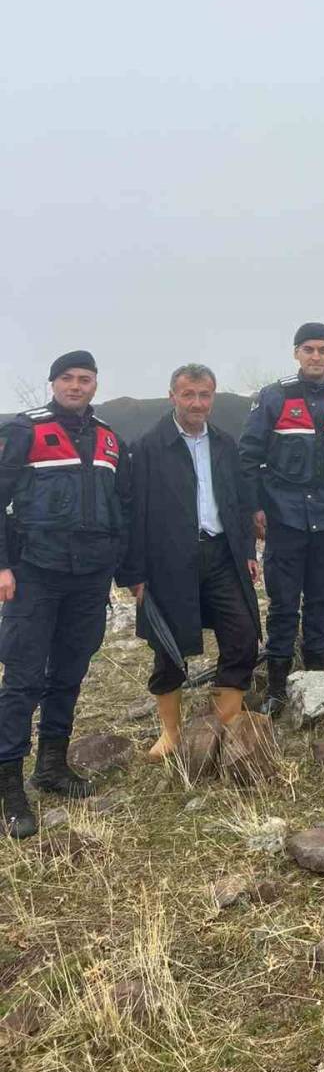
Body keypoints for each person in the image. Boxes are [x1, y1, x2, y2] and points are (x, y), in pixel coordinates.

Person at [0, 351, 130, 838]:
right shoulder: (24, 430)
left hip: (89, 577)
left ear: (95, 383)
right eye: (68, 379)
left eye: (85, 379)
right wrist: (2, 564)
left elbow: (123, 506)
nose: (77, 386)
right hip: (35, 573)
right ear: (53, 382)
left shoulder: (109, 439)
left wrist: (125, 569)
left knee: (70, 673)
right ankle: (9, 781)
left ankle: (52, 767)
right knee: (23, 678)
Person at [119, 364, 261, 758]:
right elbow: (133, 512)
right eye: (188, 395)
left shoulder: (224, 444)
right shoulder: (148, 446)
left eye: (204, 395)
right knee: (169, 646)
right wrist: (135, 572)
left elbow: (238, 503)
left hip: (221, 554)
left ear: (212, 397)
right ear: (172, 397)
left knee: (243, 634)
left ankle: (222, 723)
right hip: (168, 558)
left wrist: (247, 551)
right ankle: (171, 733)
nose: (197, 403)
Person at [238, 324, 324, 714]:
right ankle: (278, 688)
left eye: (322, 349)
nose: (315, 356)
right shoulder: (274, 397)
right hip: (283, 517)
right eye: (307, 350)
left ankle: (316, 680)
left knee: (322, 599)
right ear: (296, 353)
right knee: (283, 603)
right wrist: (255, 507)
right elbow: (248, 456)